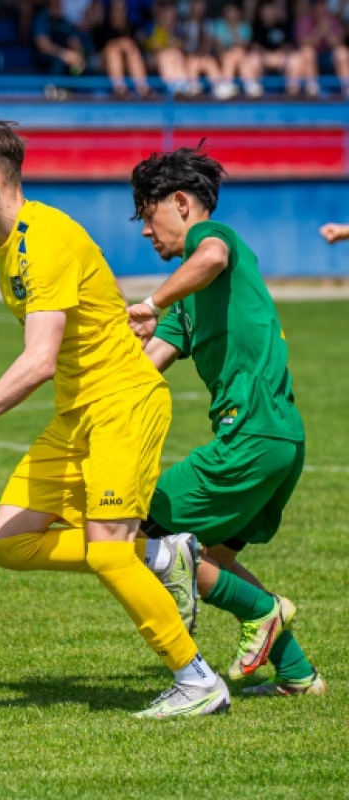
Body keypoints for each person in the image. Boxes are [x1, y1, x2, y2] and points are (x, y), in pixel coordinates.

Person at [0, 121, 232, 719]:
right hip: (78, 412)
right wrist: (126, 315)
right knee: (8, 542)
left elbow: (37, 362)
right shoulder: (12, 242)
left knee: (110, 554)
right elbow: (101, 284)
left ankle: (197, 680)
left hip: (118, 406)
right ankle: (163, 557)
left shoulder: (43, 239)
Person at [126, 144, 326, 698]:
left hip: (252, 436)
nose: (147, 231)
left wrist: (150, 301)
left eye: (149, 214)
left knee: (137, 526)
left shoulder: (215, 241)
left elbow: (209, 255)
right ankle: (297, 675)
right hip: (282, 438)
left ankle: (263, 611)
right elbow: (144, 373)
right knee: (212, 559)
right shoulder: (191, 303)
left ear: (183, 204)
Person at [90, 0, 151, 97]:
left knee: (131, 48)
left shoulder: (132, 27)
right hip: (103, 60)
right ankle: (120, 89)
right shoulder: (103, 27)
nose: (119, 13)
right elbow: (101, 48)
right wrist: (121, 44)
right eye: (116, 10)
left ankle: (143, 88)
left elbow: (137, 47)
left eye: (122, 9)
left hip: (127, 61)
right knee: (113, 51)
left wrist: (127, 44)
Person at [248, 0, 307, 97]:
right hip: (263, 59)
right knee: (250, 60)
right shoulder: (256, 26)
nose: (268, 13)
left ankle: (293, 92)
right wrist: (266, 55)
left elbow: (289, 45)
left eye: (271, 10)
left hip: (282, 58)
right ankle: (254, 92)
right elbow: (254, 46)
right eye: (266, 10)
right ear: (261, 12)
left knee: (297, 60)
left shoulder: (284, 25)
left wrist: (279, 54)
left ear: (276, 11)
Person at [295, 0, 349, 96]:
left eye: (323, 6)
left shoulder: (333, 21)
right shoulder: (304, 21)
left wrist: (327, 32)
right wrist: (319, 31)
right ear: (313, 9)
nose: (322, 9)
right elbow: (303, 43)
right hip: (311, 58)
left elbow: (338, 43)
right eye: (319, 6)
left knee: (343, 53)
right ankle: (312, 89)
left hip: (329, 56)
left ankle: (347, 88)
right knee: (307, 52)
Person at [140, 2, 190, 94]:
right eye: (165, 16)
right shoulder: (150, 27)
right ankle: (173, 86)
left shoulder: (177, 30)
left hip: (173, 58)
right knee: (166, 56)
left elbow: (182, 47)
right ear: (159, 15)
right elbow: (148, 44)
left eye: (171, 17)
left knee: (172, 55)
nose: (168, 19)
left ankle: (180, 85)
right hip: (152, 59)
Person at [32, 0, 86, 79]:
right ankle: (53, 87)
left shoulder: (65, 21)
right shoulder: (42, 19)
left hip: (66, 58)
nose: (58, 5)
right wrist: (64, 54)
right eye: (56, 4)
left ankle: (74, 88)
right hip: (45, 59)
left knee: (80, 62)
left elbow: (74, 41)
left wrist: (78, 55)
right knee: (59, 61)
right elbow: (43, 45)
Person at [212, 3, 257, 96]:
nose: (231, 14)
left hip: (242, 57)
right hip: (223, 55)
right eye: (229, 11)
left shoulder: (245, 27)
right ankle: (250, 84)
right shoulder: (219, 25)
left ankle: (227, 84)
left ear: (239, 13)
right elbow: (219, 47)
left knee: (238, 54)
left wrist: (234, 29)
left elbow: (244, 47)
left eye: (234, 11)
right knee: (232, 55)